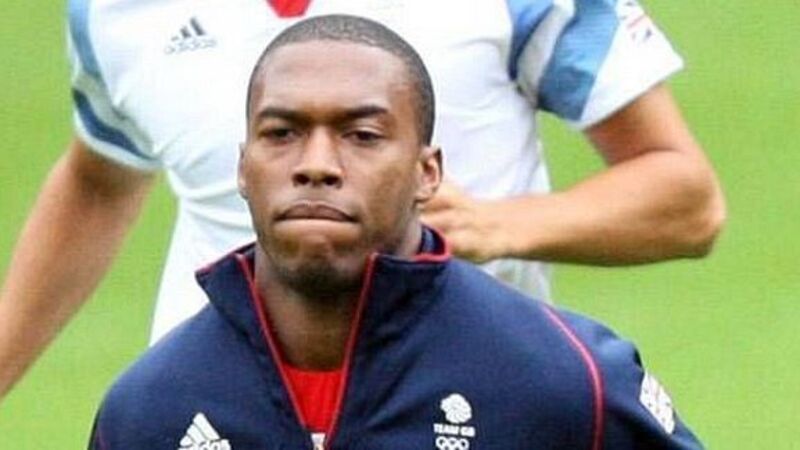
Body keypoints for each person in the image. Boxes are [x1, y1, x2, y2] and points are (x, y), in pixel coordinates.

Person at [0, 0, 725, 399]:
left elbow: (686, 197)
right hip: (215, 416)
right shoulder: (115, 13)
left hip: (459, 405)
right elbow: (99, 179)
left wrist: (499, 225)